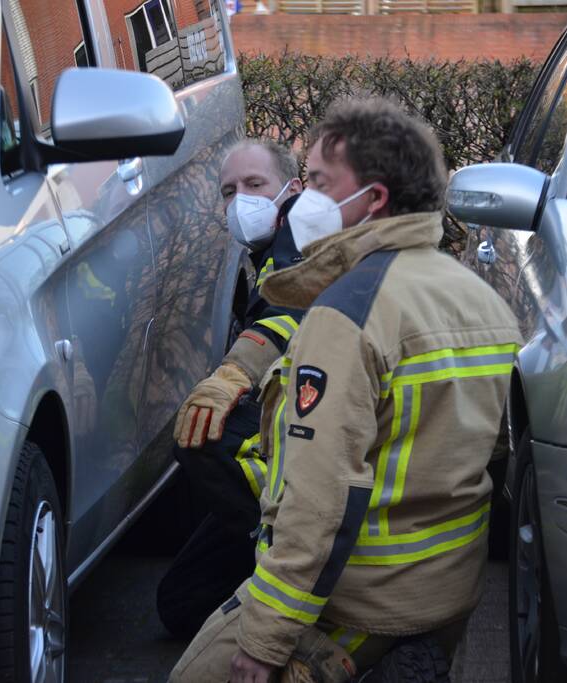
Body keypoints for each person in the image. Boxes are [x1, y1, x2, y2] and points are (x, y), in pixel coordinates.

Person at [170, 98, 523, 683]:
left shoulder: (344, 315)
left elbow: (317, 502)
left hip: (359, 600)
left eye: (315, 183)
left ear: (373, 199)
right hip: (448, 594)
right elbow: (491, 455)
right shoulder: (483, 303)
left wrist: (264, 641)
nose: (302, 200)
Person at [157, 139, 305, 639]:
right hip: (283, 416)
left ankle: (291, 543)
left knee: (206, 433)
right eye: (229, 191)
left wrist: (234, 373)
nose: (241, 200)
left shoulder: (302, 238)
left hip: (311, 426)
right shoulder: (264, 253)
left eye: (255, 185)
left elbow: (290, 313)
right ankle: (258, 541)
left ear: (293, 189)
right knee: (179, 603)